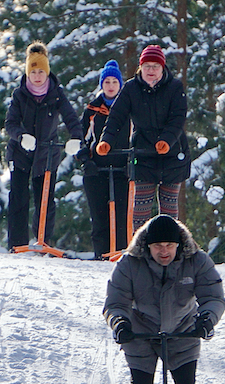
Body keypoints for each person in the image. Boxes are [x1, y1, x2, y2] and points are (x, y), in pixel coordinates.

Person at [103, 214, 225, 384]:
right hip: (141, 333)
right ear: (147, 246)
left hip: (183, 332)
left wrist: (206, 319)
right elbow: (115, 301)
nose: (164, 251)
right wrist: (120, 322)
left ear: (179, 244)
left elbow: (213, 296)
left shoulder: (197, 260)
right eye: (158, 246)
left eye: (169, 245)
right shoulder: (130, 263)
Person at [96, 45, 191, 234]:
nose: (151, 71)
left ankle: (171, 251)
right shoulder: (131, 88)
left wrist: (166, 140)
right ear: (140, 68)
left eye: (155, 66)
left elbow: (178, 119)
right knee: (140, 213)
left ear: (162, 68)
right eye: (147, 66)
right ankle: (140, 252)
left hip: (173, 155)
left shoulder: (175, 87)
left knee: (169, 214)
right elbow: (116, 116)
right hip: (143, 155)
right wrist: (107, 140)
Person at [4, 41, 83, 250]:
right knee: (19, 199)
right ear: (28, 73)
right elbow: (10, 123)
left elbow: (72, 118)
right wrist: (21, 136)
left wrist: (76, 137)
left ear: (47, 72)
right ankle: (17, 245)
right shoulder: (20, 95)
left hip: (46, 154)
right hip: (21, 152)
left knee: (45, 201)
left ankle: (43, 242)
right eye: (33, 71)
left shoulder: (56, 94)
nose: (37, 76)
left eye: (41, 71)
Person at [79, 60, 132, 258]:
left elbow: (136, 138)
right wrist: (86, 160)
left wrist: (131, 163)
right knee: (99, 218)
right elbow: (80, 139)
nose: (110, 86)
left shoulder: (129, 110)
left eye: (114, 82)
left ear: (120, 85)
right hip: (97, 169)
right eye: (107, 82)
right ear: (102, 85)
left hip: (122, 170)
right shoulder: (92, 111)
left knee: (121, 218)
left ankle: (120, 255)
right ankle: (100, 255)